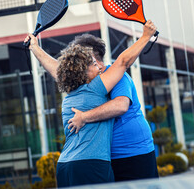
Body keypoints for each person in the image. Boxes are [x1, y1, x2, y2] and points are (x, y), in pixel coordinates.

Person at [24, 20, 156, 187]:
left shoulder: (73, 90)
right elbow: (123, 61)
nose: (97, 67)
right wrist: (145, 36)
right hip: (92, 163)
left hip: (71, 163)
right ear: (83, 67)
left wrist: (34, 47)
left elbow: (121, 105)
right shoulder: (94, 88)